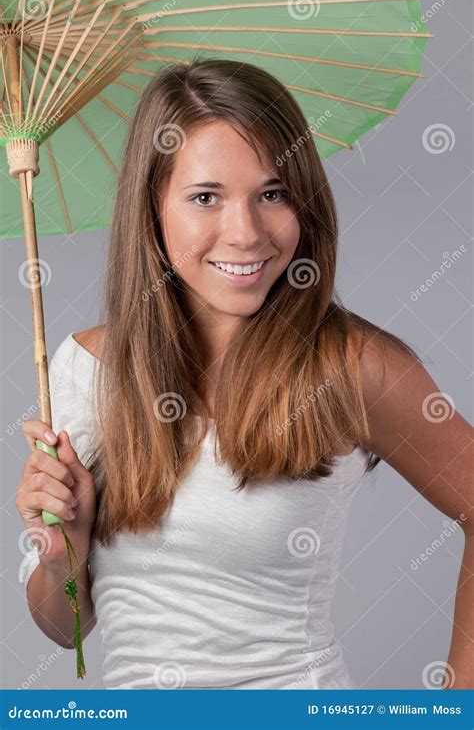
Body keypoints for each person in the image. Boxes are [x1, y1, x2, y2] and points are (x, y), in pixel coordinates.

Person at [16, 59, 472, 690]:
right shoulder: (83, 369)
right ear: (153, 207)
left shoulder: (350, 366)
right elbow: (67, 629)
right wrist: (62, 549)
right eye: (206, 197)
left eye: (273, 193)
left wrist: (456, 707)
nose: (247, 232)